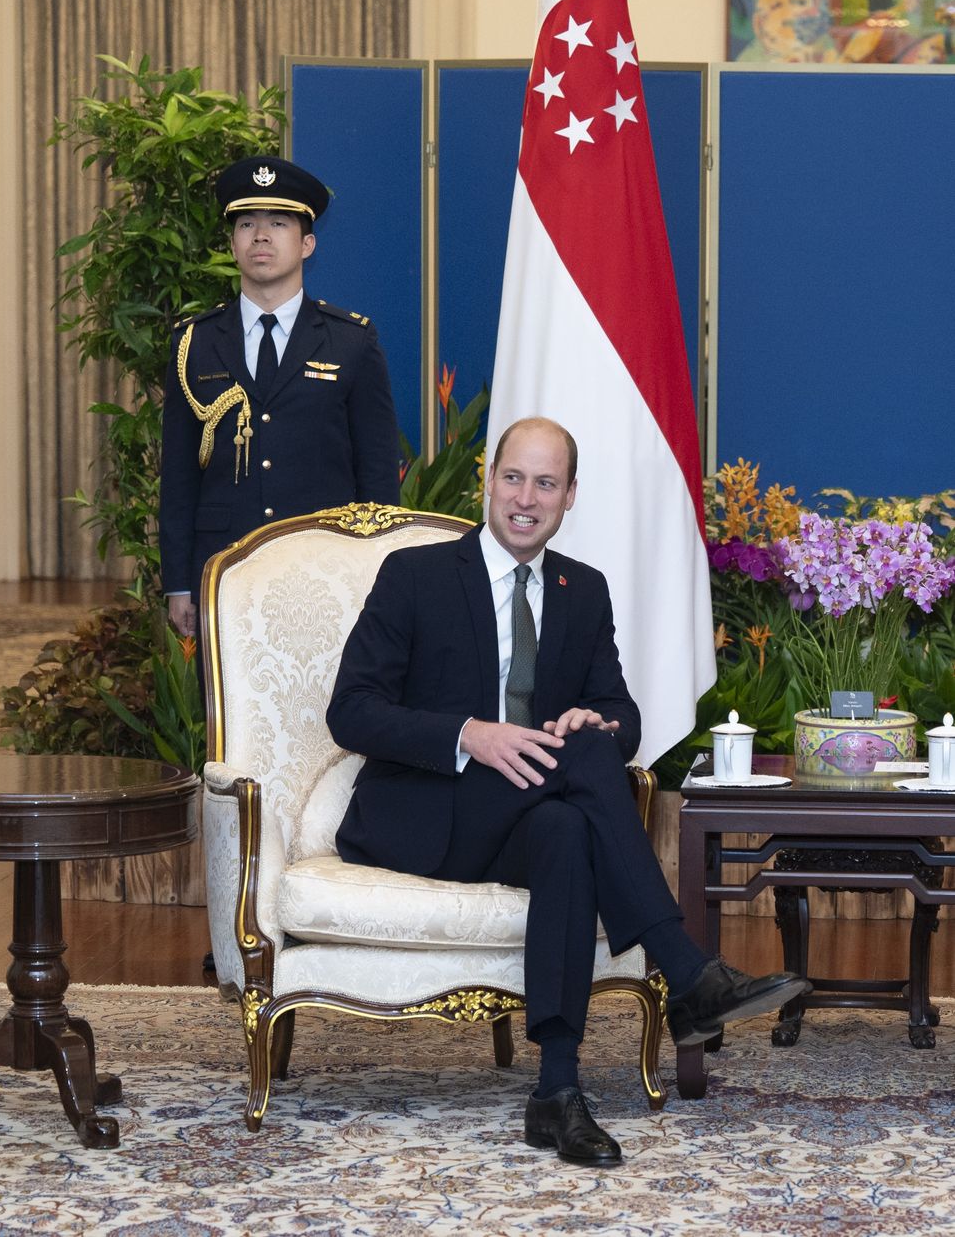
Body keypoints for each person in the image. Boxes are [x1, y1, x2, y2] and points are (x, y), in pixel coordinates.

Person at [327, 416, 807, 1168]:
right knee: (579, 771)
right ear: (488, 479)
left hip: (526, 821)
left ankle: (556, 1091)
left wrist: (601, 724)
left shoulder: (581, 591)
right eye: (514, 478)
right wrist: (469, 734)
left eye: (545, 483)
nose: (526, 498)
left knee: (568, 827)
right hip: (427, 813)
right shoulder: (414, 575)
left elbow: (624, 715)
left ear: (570, 495)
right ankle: (686, 970)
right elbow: (350, 710)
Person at [160, 154, 401, 635]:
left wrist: (379, 573)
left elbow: (377, 474)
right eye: (246, 223)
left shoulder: (351, 341)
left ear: (308, 243)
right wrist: (178, 584)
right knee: (230, 706)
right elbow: (179, 474)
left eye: (278, 223)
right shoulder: (196, 342)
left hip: (324, 564)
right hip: (222, 568)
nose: (261, 236)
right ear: (232, 244)